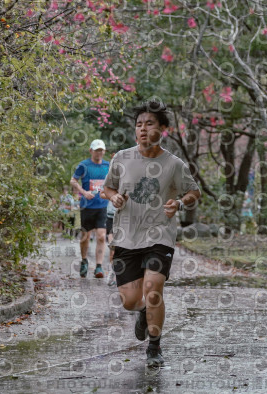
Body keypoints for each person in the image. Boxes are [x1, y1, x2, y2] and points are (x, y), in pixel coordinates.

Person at [103, 100, 200, 367]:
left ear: (163, 129)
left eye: (149, 124)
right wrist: (113, 198)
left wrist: (179, 203)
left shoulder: (174, 164)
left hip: (159, 235)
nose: (143, 129)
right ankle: (143, 311)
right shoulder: (122, 158)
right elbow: (108, 188)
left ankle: (154, 347)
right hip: (126, 237)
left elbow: (194, 192)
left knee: (153, 288)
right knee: (130, 301)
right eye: (139, 125)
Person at [70, 139, 110, 278]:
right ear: (91, 151)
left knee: (101, 236)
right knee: (85, 236)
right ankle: (84, 261)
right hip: (87, 206)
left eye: (101, 150)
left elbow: (113, 182)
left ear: (104, 151)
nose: (99, 153)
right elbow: (73, 180)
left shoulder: (108, 166)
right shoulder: (84, 165)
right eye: (96, 150)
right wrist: (83, 192)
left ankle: (99, 266)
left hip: (102, 206)